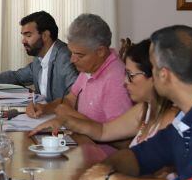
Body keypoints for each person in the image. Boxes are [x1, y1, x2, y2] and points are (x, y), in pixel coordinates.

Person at [75, 25, 192, 180]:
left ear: (163, 75)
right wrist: (105, 168)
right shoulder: (185, 118)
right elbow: (138, 156)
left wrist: (111, 178)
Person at [29, 38, 175, 147]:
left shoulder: (171, 120)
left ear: (157, 76)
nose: (124, 81)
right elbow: (104, 131)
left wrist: (110, 176)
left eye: (131, 75)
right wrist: (65, 121)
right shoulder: (144, 109)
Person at [27, 14, 133, 131]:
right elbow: (70, 99)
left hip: (98, 148)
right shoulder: (90, 67)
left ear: (100, 51)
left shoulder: (117, 81)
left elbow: (120, 137)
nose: (72, 60)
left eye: (79, 55)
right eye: (71, 53)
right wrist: (44, 108)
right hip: (80, 140)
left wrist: (73, 117)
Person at [0, 10, 77, 102]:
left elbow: (75, 99)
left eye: (28, 35)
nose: (23, 41)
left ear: (45, 35)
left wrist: (46, 109)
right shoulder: (39, 59)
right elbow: (17, 76)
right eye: (23, 36)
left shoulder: (65, 58)